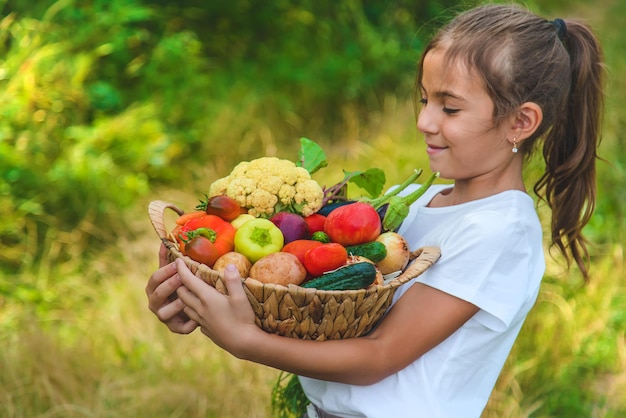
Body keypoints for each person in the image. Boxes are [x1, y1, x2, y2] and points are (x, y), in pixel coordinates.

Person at [145, 3, 604, 417]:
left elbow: (379, 356)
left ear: (520, 122)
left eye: (451, 108)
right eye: (425, 100)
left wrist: (246, 341)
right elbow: (314, 303)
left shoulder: (498, 231)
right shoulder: (416, 200)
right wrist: (202, 300)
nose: (425, 121)